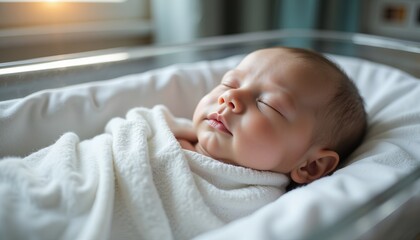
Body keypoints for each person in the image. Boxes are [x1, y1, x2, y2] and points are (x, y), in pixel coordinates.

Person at [171, 47, 367, 184]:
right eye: (230, 83)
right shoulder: (160, 125)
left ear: (311, 166)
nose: (229, 96)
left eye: (267, 104)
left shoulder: (250, 207)